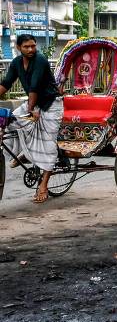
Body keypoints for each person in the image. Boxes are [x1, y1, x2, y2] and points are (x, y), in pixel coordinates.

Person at [0, 34, 63, 203]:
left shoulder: (40, 60)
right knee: (11, 123)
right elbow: (6, 84)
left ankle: (44, 185)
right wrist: (31, 109)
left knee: (48, 144)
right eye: (26, 47)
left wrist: (31, 109)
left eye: (33, 46)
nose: (31, 49)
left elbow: (34, 86)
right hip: (33, 103)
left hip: (51, 104)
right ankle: (26, 153)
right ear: (18, 48)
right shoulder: (16, 63)